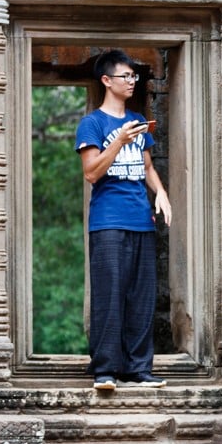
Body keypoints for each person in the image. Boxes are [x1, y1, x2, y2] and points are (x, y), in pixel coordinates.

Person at [75, 49, 172, 390]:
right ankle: (105, 370)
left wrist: (160, 192)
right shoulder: (93, 124)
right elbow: (92, 173)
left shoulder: (137, 121)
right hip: (108, 222)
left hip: (141, 221)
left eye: (134, 76)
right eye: (125, 76)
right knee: (109, 295)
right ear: (106, 80)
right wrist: (117, 141)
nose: (132, 81)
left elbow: (146, 167)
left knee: (141, 297)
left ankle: (138, 368)